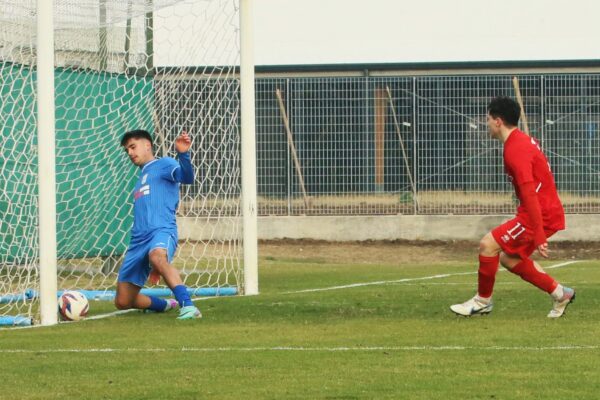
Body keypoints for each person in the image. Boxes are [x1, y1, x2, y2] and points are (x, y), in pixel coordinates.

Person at [450, 96, 575, 318]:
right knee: (509, 258)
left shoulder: (515, 149)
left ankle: (482, 300)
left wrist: (539, 235)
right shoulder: (520, 142)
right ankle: (560, 293)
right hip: (541, 211)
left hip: (539, 214)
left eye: (487, 119)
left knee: (488, 245)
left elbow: (529, 192)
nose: (485, 123)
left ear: (498, 121)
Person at [115, 129, 202, 320]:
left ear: (147, 145)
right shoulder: (140, 179)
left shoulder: (164, 164)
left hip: (161, 231)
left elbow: (187, 177)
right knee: (123, 301)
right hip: (138, 241)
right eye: (127, 150)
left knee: (157, 256)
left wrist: (183, 154)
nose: (129, 153)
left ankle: (188, 306)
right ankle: (163, 305)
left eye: (132, 146)